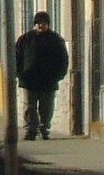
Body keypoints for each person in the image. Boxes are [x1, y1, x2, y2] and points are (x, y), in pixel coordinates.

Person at [13, 10, 70, 140]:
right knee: (29, 106)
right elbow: (17, 57)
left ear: (48, 24)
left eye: (43, 23)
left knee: (47, 107)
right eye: (38, 23)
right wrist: (19, 73)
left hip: (49, 80)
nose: (41, 25)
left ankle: (44, 128)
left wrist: (59, 75)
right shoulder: (25, 39)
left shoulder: (56, 40)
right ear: (34, 24)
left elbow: (63, 59)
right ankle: (31, 130)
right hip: (29, 79)